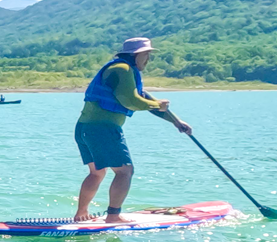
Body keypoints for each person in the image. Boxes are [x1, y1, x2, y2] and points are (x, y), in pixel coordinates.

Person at [74, 37, 192, 222]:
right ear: (136, 55)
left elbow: (143, 98)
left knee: (97, 172)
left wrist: (175, 121)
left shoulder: (124, 70)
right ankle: (113, 216)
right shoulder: (123, 69)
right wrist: (157, 104)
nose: (148, 59)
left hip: (84, 128)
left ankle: (81, 213)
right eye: (146, 55)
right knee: (125, 171)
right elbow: (132, 101)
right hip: (103, 129)